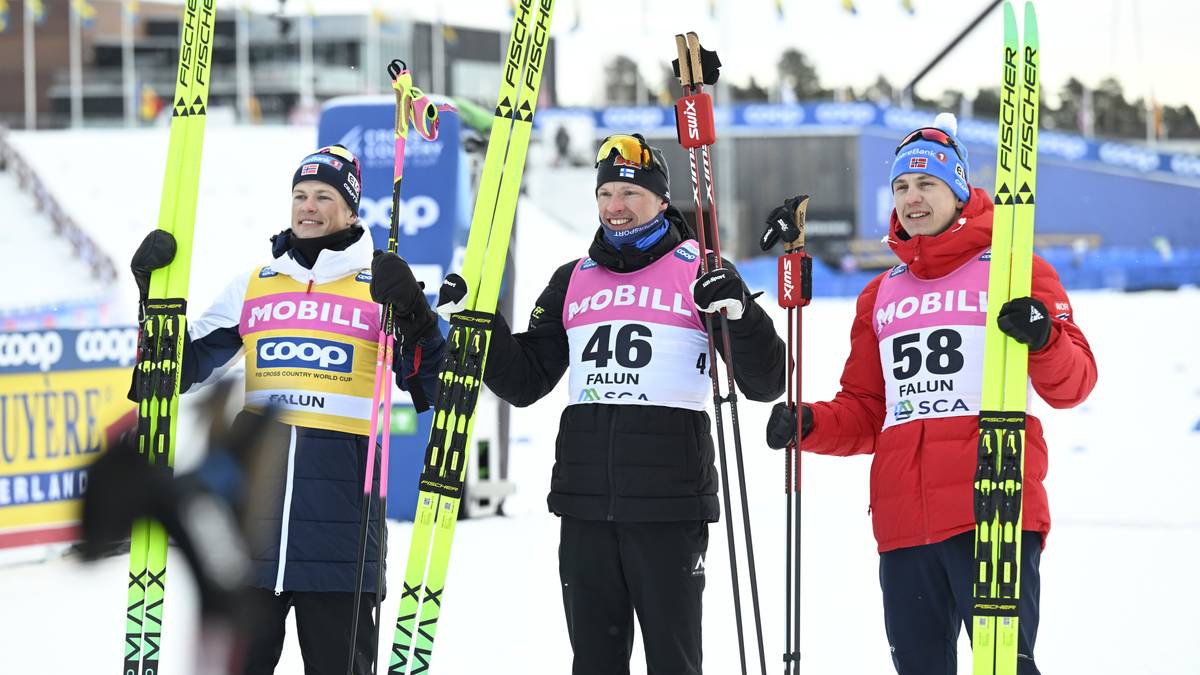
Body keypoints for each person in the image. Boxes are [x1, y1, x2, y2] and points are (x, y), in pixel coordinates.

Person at [436, 133, 786, 675]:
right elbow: (526, 381)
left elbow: (765, 382)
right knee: (594, 663)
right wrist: (477, 324)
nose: (616, 207)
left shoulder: (701, 269)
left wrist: (741, 313)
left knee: (674, 662)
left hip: (668, 506)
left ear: (661, 201)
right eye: (606, 194)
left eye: (630, 193)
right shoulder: (572, 279)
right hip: (586, 508)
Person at [765, 114, 1097, 675]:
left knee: (1005, 668)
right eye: (901, 186)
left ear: (959, 188)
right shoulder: (881, 293)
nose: (911, 198)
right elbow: (870, 412)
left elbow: (1075, 382)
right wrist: (811, 424)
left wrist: (1043, 336)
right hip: (902, 521)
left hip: (991, 503)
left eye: (927, 184)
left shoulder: (1015, 269)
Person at [129, 144, 443, 675]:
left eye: (324, 196)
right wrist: (151, 302)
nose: (309, 207)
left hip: (342, 541)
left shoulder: (381, 287)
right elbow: (172, 374)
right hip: (249, 540)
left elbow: (435, 387)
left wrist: (414, 311)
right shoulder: (253, 284)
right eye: (300, 195)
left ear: (351, 209)